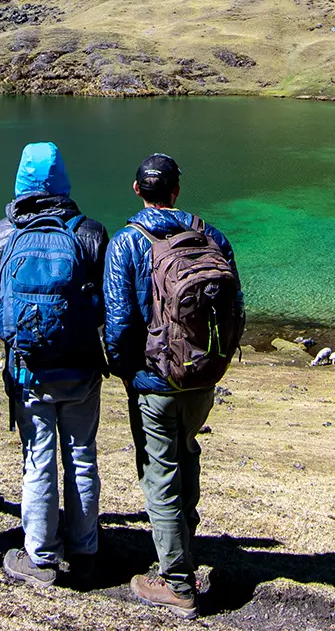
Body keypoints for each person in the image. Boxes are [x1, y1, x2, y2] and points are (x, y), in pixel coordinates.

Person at [103, 153, 243, 617]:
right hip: (202, 375)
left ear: (136, 189)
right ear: (177, 191)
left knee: (160, 471)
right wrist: (216, 362)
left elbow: (120, 322)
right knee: (187, 451)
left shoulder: (126, 242)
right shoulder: (211, 236)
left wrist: (127, 371)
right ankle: (184, 547)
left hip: (154, 380)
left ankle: (177, 582)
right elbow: (235, 308)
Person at [0, 142, 109, 587]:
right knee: (81, 455)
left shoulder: (2, 233)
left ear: (21, 180)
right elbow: (103, 306)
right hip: (80, 366)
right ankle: (85, 548)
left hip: (27, 368)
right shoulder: (90, 232)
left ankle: (39, 556)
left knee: (37, 457)